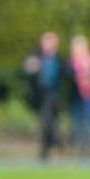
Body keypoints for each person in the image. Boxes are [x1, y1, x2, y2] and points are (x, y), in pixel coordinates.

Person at [22, 31, 63, 161]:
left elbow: (65, 71)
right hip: (40, 93)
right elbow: (26, 67)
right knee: (45, 120)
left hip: (53, 93)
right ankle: (50, 145)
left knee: (47, 119)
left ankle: (55, 141)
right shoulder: (36, 56)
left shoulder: (57, 58)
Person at [67, 35, 90, 159]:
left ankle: (87, 150)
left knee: (88, 124)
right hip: (76, 99)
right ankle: (75, 149)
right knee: (76, 124)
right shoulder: (70, 63)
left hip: (89, 98)